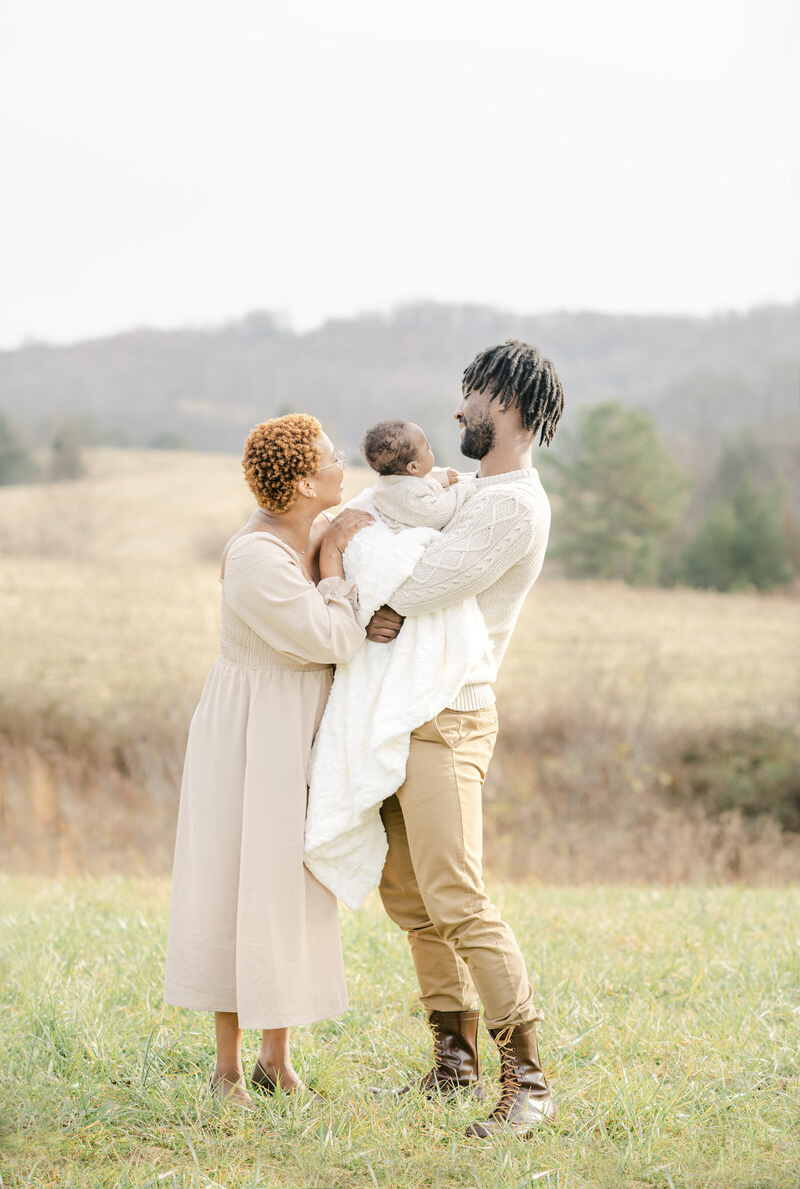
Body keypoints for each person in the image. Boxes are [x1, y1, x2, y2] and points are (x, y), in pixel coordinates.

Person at [366, 339, 565, 1139]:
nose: (457, 411)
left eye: (472, 397)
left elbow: (420, 585)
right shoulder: (473, 492)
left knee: (458, 896)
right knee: (411, 898)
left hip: (450, 717)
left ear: (507, 405)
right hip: (404, 711)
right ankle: (453, 1066)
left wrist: (382, 595)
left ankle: (532, 1083)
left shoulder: (514, 506)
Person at [163, 413, 372, 1109]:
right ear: (307, 481)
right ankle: (226, 1072)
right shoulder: (257, 558)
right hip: (248, 737)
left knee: (284, 889)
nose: (344, 466)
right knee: (235, 885)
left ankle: (274, 1062)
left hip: (294, 733)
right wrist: (338, 570)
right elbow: (332, 638)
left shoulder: (308, 532)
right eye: (334, 458)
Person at [361, 419, 474, 533]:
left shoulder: (392, 478)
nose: (430, 447)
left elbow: (419, 477)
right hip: (406, 538)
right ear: (413, 467)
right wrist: (461, 491)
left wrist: (442, 476)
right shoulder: (409, 493)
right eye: (427, 448)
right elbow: (437, 514)